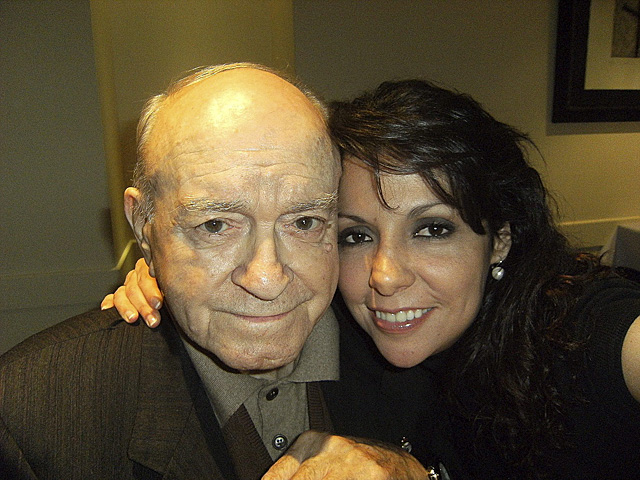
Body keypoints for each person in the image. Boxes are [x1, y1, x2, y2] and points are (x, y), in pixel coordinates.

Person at [107, 79, 640, 479]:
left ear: (499, 239)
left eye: (432, 229)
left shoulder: (578, 332)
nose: (384, 277)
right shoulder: (337, 329)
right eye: (356, 235)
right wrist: (169, 261)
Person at [0, 64, 432, 480]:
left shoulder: (409, 344)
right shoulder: (30, 412)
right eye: (215, 225)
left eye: (304, 221)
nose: (267, 279)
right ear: (145, 226)